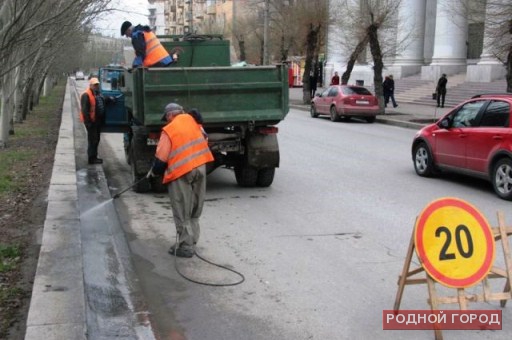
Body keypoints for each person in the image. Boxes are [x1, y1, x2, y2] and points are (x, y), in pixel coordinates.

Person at [148, 103, 214, 258]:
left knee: (181, 208)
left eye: (167, 118)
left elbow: (161, 158)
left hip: (181, 172)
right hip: (200, 167)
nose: (166, 121)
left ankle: (185, 245)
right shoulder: (194, 122)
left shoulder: (169, 130)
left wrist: (154, 172)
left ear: (171, 115)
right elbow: (204, 138)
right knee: (195, 208)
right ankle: (193, 239)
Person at [80, 78, 114, 164]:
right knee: (93, 140)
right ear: (90, 85)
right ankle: (91, 158)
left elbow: (100, 101)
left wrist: (109, 99)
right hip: (91, 122)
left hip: (97, 121)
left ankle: (94, 157)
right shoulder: (86, 95)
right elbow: (84, 110)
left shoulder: (97, 94)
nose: (96, 86)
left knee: (96, 139)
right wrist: (88, 123)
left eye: (97, 84)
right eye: (95, 85)